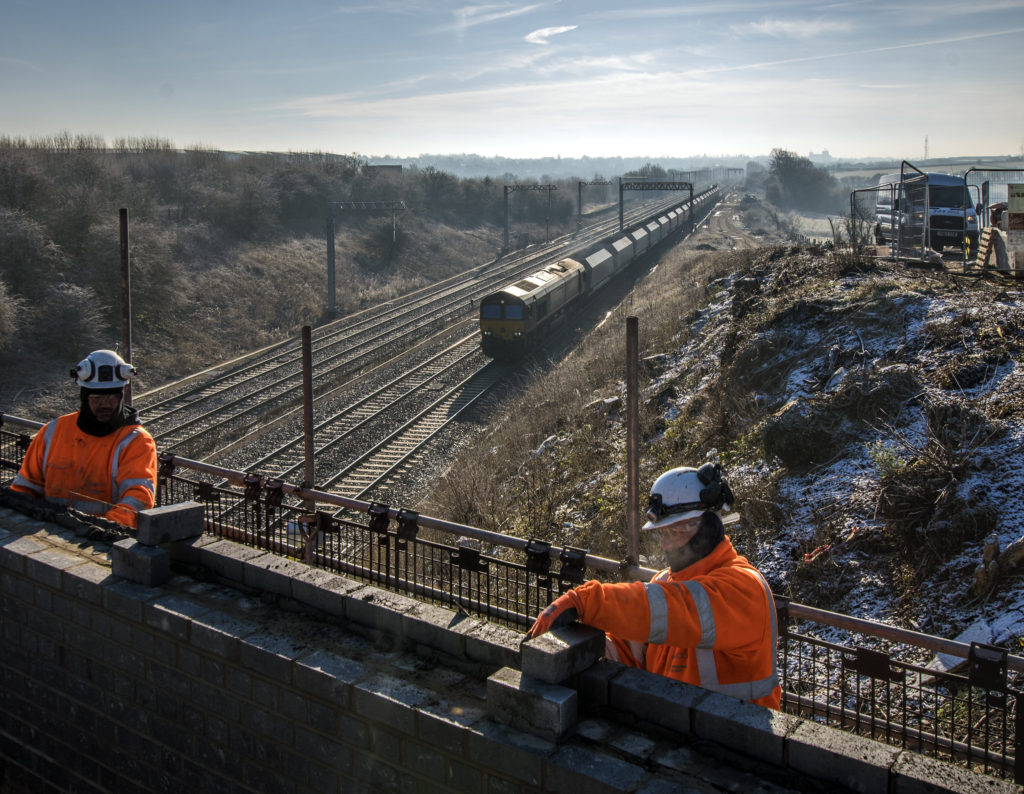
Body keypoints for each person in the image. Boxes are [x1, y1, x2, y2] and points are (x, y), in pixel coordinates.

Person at [526, 463, 781, 710]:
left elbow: (675, 608)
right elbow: (628, 649)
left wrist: (586, 600)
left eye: (676, 531)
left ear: (710, 526)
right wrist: (578, 651)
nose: (665, 545)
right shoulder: (665, 582)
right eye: (662, 533)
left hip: (742, 745)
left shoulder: (745, 589)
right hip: (675, 736)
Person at [11, 349, 158, 529]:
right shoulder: (53, 432)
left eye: (113, 397)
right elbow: (24, 488)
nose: (105, 404)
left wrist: (106, 530)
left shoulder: (136, 441)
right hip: (45, 532)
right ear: (84, 396)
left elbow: (137, 497)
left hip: (99, 543)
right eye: (97, 398)